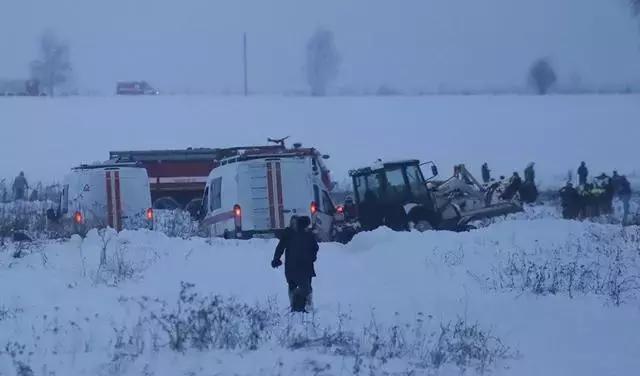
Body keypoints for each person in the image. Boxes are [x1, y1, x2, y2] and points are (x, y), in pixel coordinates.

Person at [271, 216, 319, 312]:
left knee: (297, 285)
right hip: (301, 267)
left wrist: (276, 259)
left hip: (294, 267)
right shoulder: (300, 234)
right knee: (304, 286)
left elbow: (280, 247)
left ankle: (298, 304)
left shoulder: (292, 234)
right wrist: (276, 259)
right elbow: (315, 248)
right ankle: (303, 304)